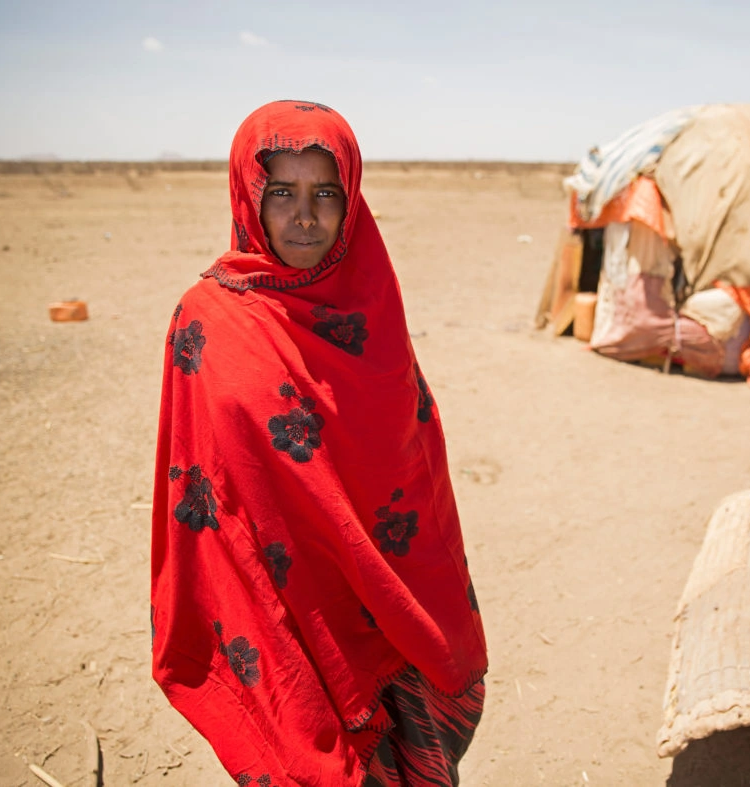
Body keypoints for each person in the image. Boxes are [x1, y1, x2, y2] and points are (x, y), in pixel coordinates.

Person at [150, 100, 488, 786]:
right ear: (249, 196)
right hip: (281, 606)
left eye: (325, 193)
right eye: (282, 192)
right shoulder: (209, 319)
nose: (305, 215)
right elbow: (200, 484)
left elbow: (412, 464)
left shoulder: (370, 306)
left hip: (388, 600)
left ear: (352, 199)